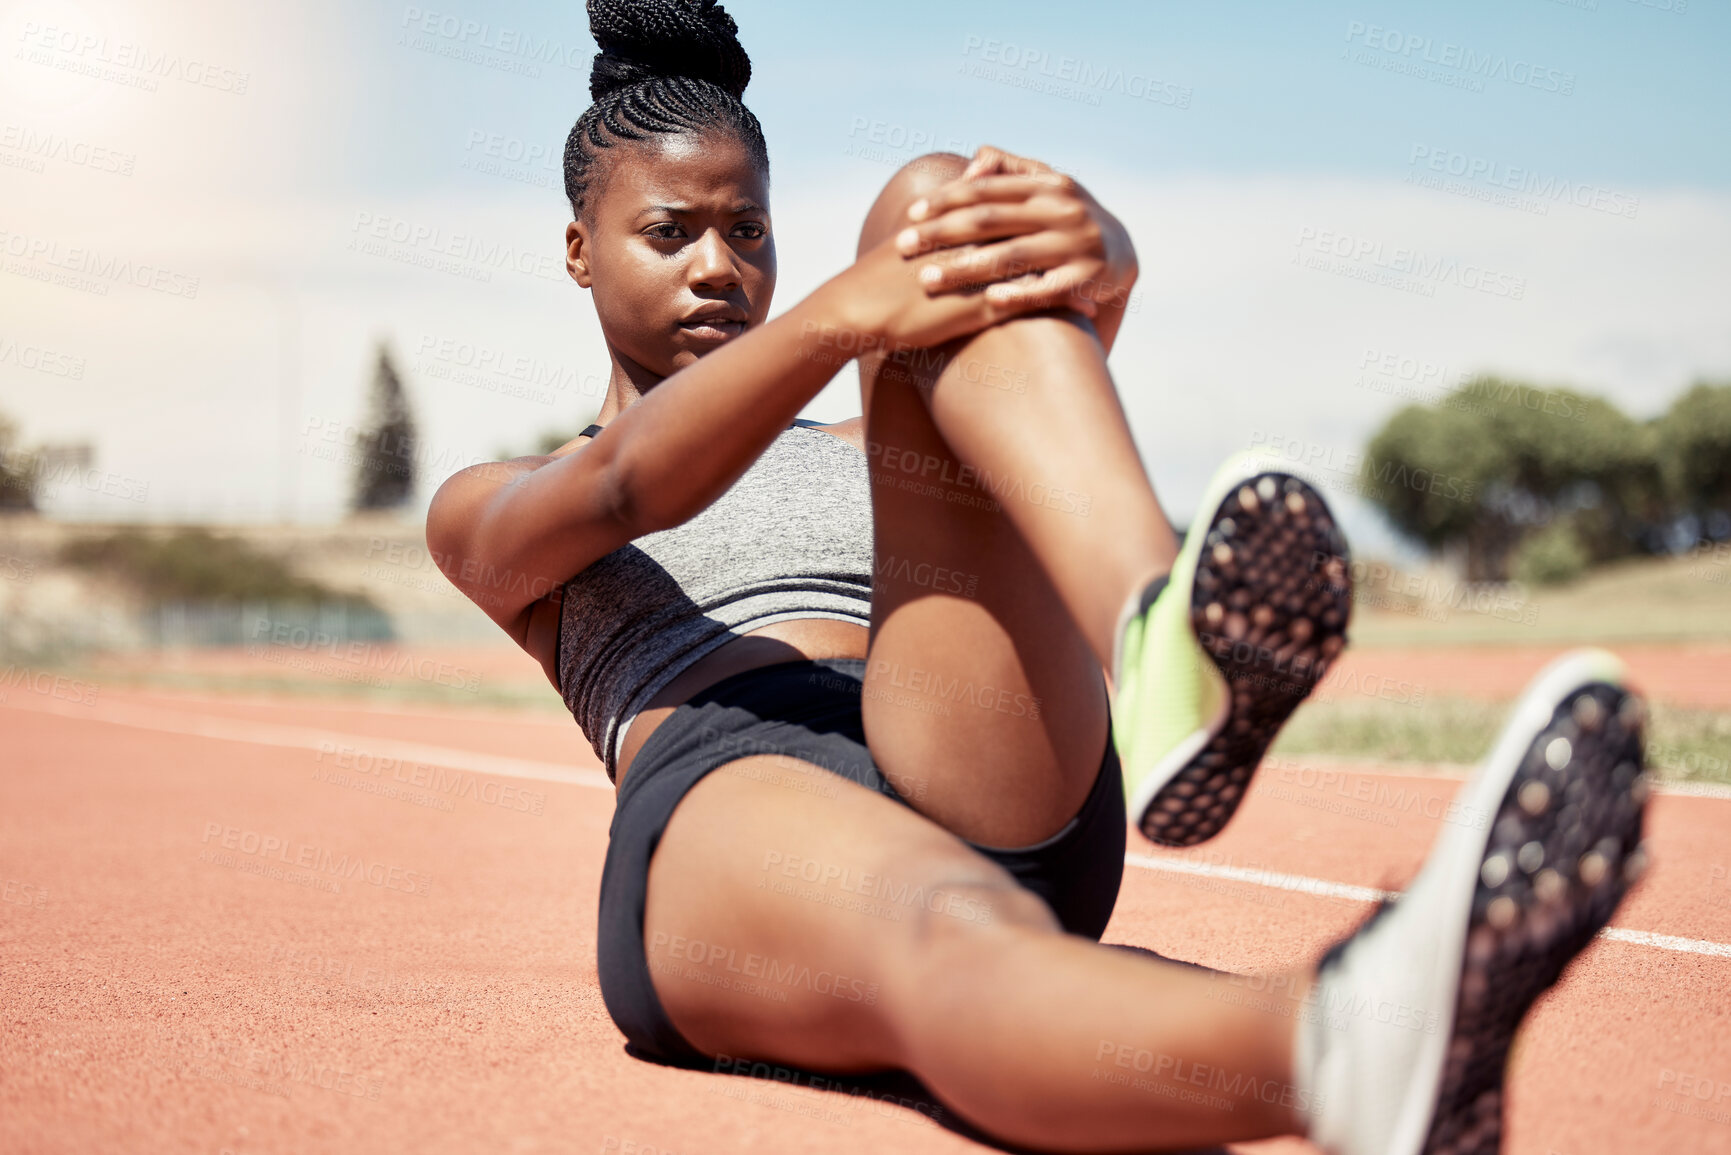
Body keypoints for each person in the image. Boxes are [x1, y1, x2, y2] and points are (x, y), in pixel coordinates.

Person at [427, 3, 1651, 1151]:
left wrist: (1096, 258)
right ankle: (1345, 1044)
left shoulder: (867, 432)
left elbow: (1023, 381)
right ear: (580, 252)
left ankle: (1164, 647)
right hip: (736, 789)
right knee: (947, 940)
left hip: (969, 744)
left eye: (747, 230)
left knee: (937, 200)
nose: (719, 266)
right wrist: (843, 316)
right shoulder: (492, 506)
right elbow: (629, 487)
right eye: (670, 232)